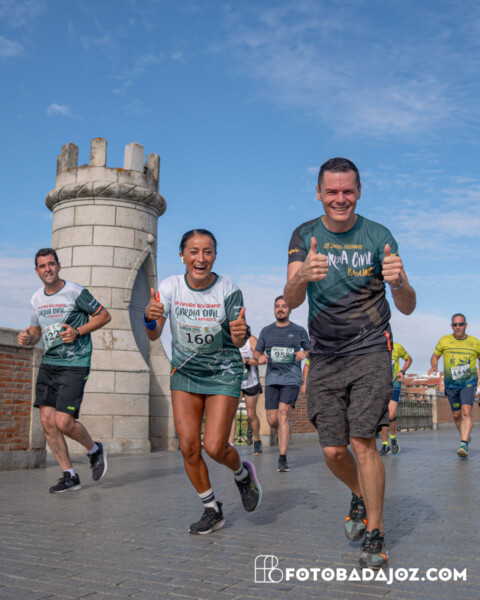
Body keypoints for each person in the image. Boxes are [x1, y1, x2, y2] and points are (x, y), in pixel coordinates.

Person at [284, 157, 416, 569]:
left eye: (347, 191)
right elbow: (290, 300)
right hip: (325, 354)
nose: (340, 199)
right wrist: (302, 275)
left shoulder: (379, 236)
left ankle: (375, 533)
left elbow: (408, 306)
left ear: (359, 192)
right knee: (332, 450)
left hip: (370, 349)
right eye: (332, 191)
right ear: (318, 193)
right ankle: (359, 494)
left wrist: (400, 282)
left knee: (362, 442)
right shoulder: (305, 235)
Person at [144, 229, 262, 534]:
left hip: (222, 372)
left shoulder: (228, 289)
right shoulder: (170, 286)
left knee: (214, 447)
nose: (201, 258)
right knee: (187, 447)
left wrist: (240, 335)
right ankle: (211, 509)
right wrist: (149, 316)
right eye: (194, 251)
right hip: (185, 372)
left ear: (215, 256)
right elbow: (154, 333)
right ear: (182, 255)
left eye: (207, 251)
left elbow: (238, 340)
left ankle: (242, 474)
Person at [17, 248, 111, 493]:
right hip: (49, 364)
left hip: (75, 363)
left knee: (63, 421)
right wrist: (28, 338)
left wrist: (78, 331)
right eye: (42, 266)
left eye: (51, 264)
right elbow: (36, 332)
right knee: (47, 422)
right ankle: (69, 475)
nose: (47, 269)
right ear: (37, 271)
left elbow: (104, 316)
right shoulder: (36, 298)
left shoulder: (75, 291)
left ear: (58, 266)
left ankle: (94, 450)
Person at [253, 295, 310, 472]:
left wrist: (305, 353)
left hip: (291, 379)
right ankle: (285, 429)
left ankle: (282, 459)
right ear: (274, 309)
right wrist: (260, 358)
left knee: (283, 414)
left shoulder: (299, 330)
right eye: (277, 306)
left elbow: (310, 349)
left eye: (284, 306)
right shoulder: (266, 331)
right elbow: (257, 352)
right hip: (272, 379)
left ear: (290, 309)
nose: (280, 309)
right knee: (273, 419)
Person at [428, 313, 480, 458]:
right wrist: (434, 367)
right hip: (451, 384)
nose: (458, 327)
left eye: (460, 324)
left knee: (466, 412)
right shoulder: (444, 341)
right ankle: (466, 437)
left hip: (469, 382)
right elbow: (435, 356)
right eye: (455, 324)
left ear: (465, 325)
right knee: (456, 415)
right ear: (452, 326)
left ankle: (463, 442)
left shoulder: (475, 342)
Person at [229, 335, 264, 455]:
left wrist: (246, 360)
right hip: (236, 382)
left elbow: (261, 360)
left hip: (251, 382)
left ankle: (257, 441)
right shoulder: (228, 339)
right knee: (231, 413)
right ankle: (231, 444)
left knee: (251, 414)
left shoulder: (251, 340)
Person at [379, 341, 412, 455]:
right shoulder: (375, 347)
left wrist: (402, 371)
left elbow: (409, 359)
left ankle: (393, 437)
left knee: (391, 414)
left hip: (394, 384)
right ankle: (385, 444)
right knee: (381, 416)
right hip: (379, 386)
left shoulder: (397, 347)